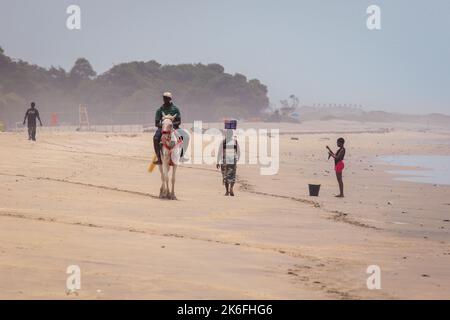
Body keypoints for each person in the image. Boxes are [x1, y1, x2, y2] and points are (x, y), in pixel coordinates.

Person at [153, 92, 181, 165]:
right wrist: (164, 126)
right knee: (156, 138)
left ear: (170, 99)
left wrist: (171, 125)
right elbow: (156, 123)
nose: (165, 99)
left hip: (174, 127)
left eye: (166, 98)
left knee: (184, 137)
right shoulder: (160, 110)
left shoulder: (175, 109)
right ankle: (159, 158)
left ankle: (180, 156)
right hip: (163, 128)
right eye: (164, 98)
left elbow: (179, 121)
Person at [216, 128, 240, 196]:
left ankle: (227, 191)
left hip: (225, 161)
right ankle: (231, 188)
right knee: (232, 175)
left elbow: (219, 152)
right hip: (233, 160)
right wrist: (236, 159)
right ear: (232, 134)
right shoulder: (235, 141)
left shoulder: (223, 142)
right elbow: (238, 152)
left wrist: (217, 162)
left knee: (225, 176)